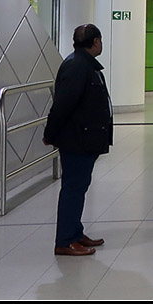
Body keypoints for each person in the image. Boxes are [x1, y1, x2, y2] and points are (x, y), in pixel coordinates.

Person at [42, 24, 113, 257]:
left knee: (79, 187)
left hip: (85, 138)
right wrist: (50, 134)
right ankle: (65, 240)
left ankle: (75, 231)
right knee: (73, 189)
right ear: (95, 41)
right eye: (100, 40)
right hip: (76, 140)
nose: (101, 44)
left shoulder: (85, 64)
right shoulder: (77, 66)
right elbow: (62, 105)